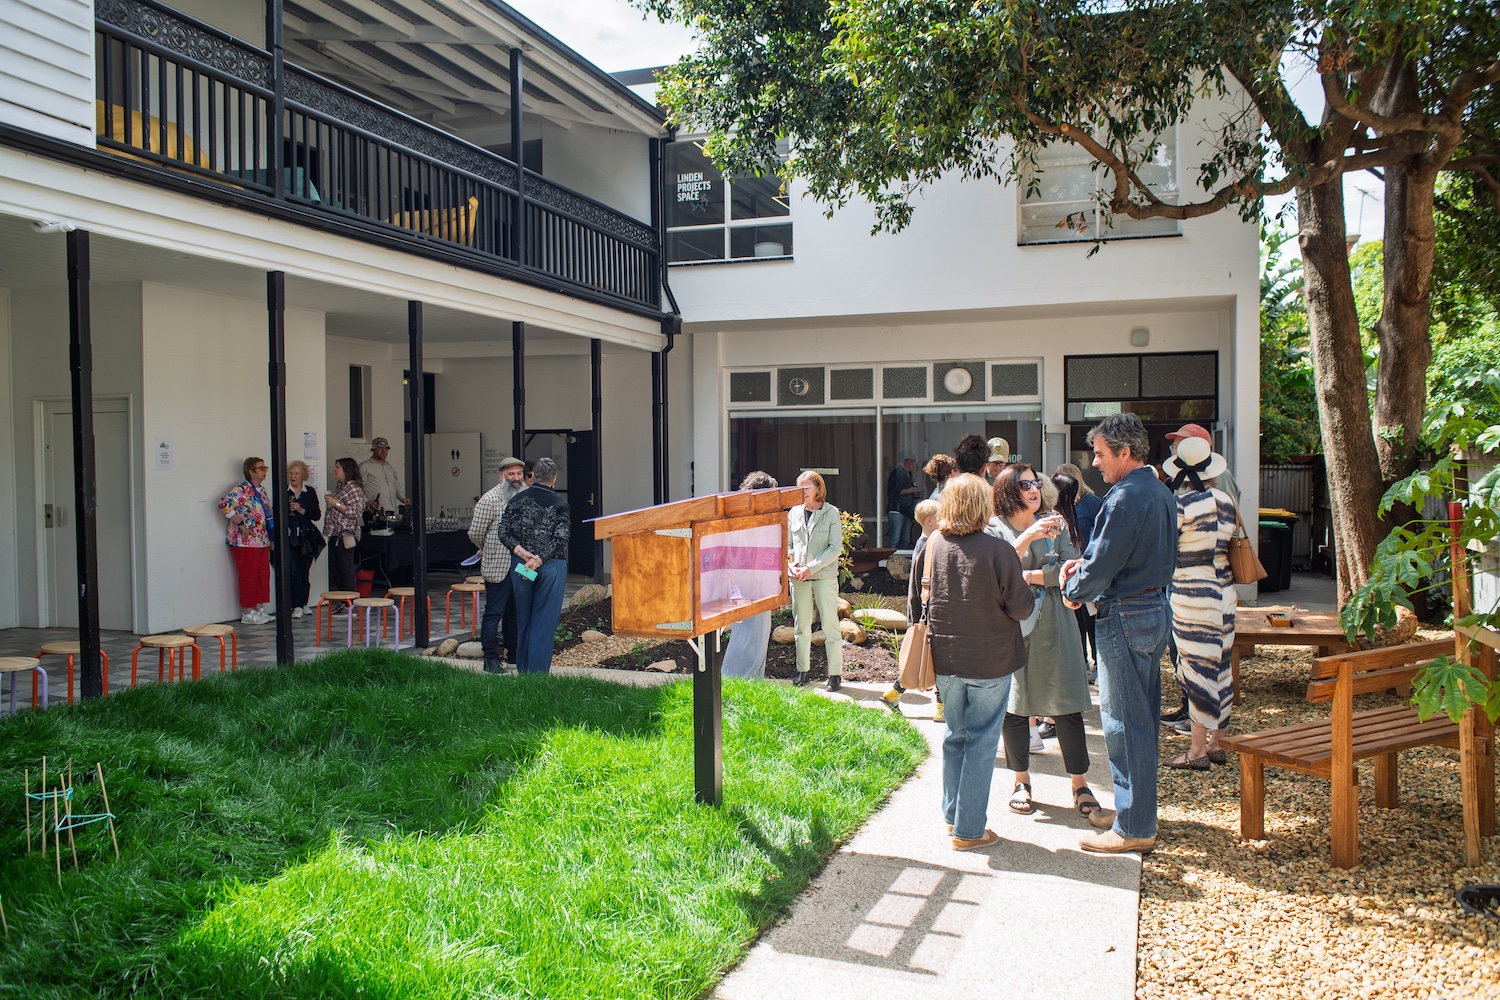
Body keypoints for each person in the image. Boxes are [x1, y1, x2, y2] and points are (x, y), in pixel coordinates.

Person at [1060, 412, 1177, 855]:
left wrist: (1074, 586)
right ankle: (1135, 813)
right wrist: (1084, 569)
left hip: (1125, 614)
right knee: (1140, 720)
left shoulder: (1125, 497)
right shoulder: (1159, 492)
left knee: (1124, 724)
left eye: (1102, 453)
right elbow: (1117, 555)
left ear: (1126, 453)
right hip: (1151, 609)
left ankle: (1133, 827)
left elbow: (1104, 563)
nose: (1095, 462)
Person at [925, 474, 1035, 851]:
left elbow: (915, 602)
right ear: (982, 506)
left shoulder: (933, 545)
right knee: (982, 743)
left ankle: (954, 816)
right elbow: (1021, 607)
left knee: (955, 736)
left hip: (945, 659)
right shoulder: (998, 550)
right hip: (990, 660)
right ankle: (969, 830)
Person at [988, 466, 1104, 819]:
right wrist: (1027, 540)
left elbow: (1071, 568)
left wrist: (1028, 574)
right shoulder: (996, 527)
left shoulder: (1056, 521)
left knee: (1066, 702)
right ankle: (1021, 781)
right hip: (1013, 626)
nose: (1034, 489)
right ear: (1009, 490)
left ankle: (1080, 783)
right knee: (1016, 705)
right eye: (1025, 484)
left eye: (1036, 482)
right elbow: (992, 568)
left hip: (1056, 621)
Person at [1161, 436, 1239, 770]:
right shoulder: (1226, 501)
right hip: (1224, 586)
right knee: (1221, 664)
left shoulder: (1181, 506)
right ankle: (1216, 742)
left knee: (1195, 668)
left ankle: (1196, 750)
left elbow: (1166, 550)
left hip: (1192, 589)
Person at [498, 456, 570, 674]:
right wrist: (539, 558)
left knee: (524, 617)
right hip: (550, 566)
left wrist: (521, 552)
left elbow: (503, 532)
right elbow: (561, 538)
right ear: (554, 479)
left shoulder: (516, 501)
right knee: (544, 620)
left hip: (521, 566)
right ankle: (538, 675)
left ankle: (524, 669)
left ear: (533, 477)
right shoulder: (560, 504)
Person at [882, 497, 942, 712]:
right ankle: (940, 706)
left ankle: (894, 694)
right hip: (926, 611)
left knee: (926, 657)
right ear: (929, 521)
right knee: (933, 658)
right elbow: (923, 584)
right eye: (941, 518)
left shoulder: (921, 543)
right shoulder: (930, 546)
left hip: (921, 611)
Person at [469, 455, 526, 674]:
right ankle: (490, 659)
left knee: (515, 613)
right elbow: (475, 532)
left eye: (518, 474)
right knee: (494, 613)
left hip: (520, 566)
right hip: (497, 565)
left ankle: (513, 655)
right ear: (501, 475)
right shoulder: (489, 499)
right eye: (511, 474)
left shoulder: (524, 496)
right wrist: (486, 547)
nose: (515, 478)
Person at [787, 470, 844, 692]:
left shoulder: (831, 513)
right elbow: (789, 545)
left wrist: (811, 568)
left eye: (806, 488)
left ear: (818, 489)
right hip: (798, 576)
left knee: (830, 625)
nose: (802, 492)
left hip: (823, 576)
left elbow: (835, 548)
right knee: (801, 625)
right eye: (798, 488)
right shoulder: (793, 513)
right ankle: (802, 671)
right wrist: (791, 564)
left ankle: (835, 675)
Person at [722, 471, 780, 679]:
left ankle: (753, 681)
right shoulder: (743, 519)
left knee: (758, 634)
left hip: (758, 586)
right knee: (747, 636)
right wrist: (736, 591)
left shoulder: (758, 519)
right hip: (746, 587)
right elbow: (733, 558)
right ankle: (733, 679)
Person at [1052, 470, 1098, 680]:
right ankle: (1079, 666)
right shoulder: (1056, 520)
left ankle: (1089, 665)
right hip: (1068, 582)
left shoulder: (1090, 504)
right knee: (1076, 628)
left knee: (1089, 625)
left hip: (1081, 579)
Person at [218, 457, 276, 624]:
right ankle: (247, 612)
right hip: (245, 541)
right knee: (248, 575)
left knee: (262, 574)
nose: (265, 471)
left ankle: (259, 609)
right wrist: (239, 522)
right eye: (261, 468)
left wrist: (270, 539)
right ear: (251, 472)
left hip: (261, 540)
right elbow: (224, 504)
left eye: (265, 467)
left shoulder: (261, 490)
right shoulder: (242, 489)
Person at [323, 457, 364, 607]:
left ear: (346, 470)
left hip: (346, 534)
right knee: (336, 569)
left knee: (346, 569)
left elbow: (355, 512)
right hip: (335, 534)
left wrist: (336, 503)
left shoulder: (353, 488)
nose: (335, 470)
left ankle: (350, 604)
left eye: (338, 467)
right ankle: (343, 601)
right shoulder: (340, 486)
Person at [285, 460, 321, 618]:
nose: (293, 476)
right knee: (293, 572)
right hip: (291, 536)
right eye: (291, 473)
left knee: (304, 571)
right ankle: (296, 605)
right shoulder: (284, 491)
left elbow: (317, 515)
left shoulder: (310, 492)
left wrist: (301, 509)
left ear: (303, 475)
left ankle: (304, 603)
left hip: (306, 537)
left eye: (296, 473)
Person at [358, 436, 407, 512]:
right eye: (380, 448)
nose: (384, 451)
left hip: (391, 510)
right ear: (373, 449)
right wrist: (366, 501)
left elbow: (396, 485)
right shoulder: (364, 467)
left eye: (386, 448)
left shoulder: (390, 468)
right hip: (373, 512)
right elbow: (357, 488)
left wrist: (402, 497)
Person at [886, 453, 920, 548]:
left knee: (905, 539)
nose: (913, 465)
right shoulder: (898, 473)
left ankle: (901, 561)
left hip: (906, 511)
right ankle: (890, 560)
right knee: (895, 539)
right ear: (906, 462)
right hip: (896, 510)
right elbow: (894, 491)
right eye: (912, 462)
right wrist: (910, 490)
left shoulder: (909, 474)